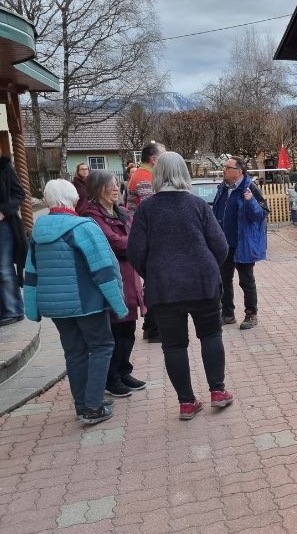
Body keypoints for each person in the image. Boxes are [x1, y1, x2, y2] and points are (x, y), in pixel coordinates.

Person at [127, 151, 233, 420]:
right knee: (211, 336)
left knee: (173, 346)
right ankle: (217, 391)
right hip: (202, 284)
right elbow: (220, 246)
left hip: (164, 288)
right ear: (183, 173)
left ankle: (186, 402)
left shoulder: (146, 210)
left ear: (157, 174)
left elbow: (135, 252)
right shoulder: (197, 205)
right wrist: (208, 266)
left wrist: (154, 273)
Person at [23, 179, 128, 425]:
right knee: (101, 346)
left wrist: (32, 308)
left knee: (74, 352)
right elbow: (104, 269)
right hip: (87, 301)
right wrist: (118, 303)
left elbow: (31, 271)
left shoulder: (38, 231)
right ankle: (93, 405)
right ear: (74, 198)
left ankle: (83, 404)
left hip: (56, 307)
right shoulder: (83, 227)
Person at [80, 170, 147, 398]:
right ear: (98, 188)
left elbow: (138, 238)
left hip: (130, 277)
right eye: (111, 185)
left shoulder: (123, 213)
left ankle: (124, 371)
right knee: (114, 331)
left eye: (117, 184)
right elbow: (114, 243)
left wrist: (135, 243)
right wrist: (134, 243)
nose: (117, 188)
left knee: (128, 329)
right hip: (110, 279)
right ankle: (111, 378)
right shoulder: (91, 217)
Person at [212, 155, 268, 330]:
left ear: (238, 171)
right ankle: (227, 314)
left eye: (227, 167)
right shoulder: (223, 188)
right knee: (224, 279)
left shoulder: (250, 188)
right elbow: (216, 212)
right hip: (224, 243)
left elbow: (261, 215)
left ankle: (251, 314)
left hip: (243, 243)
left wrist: (250, 201)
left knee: (246, 280)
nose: (223, 170)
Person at [127, 143, 165, 342]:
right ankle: (153, 328)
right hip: (150, 238)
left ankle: (150, 327)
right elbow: (153, 211)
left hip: (144, 235)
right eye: (163, 155)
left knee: (152, 282)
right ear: (154, 159)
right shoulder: (145, 178)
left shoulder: (142, 174)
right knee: (154, 283)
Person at [0, 156, 26, 326]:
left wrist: (3, 211)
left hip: (4, 225)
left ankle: (13, 310)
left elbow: (19, 194)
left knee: (4, 269)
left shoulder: (4, 168)